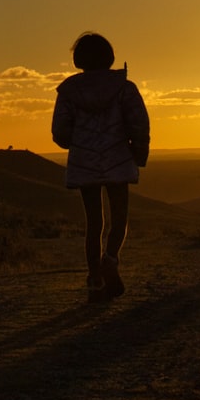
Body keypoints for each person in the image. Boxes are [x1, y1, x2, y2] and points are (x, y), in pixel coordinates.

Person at [52, 33, 150, 302]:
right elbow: (139, 124)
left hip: (84, 161)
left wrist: (79, 143)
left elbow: (59, 132)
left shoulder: (69, 91)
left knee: (93, 222)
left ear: (79, 58)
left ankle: (94, 279)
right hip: (118, 158)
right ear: (109, 56)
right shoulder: (124, 88)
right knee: (119, 218)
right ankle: (111, 259)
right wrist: (138, 153)